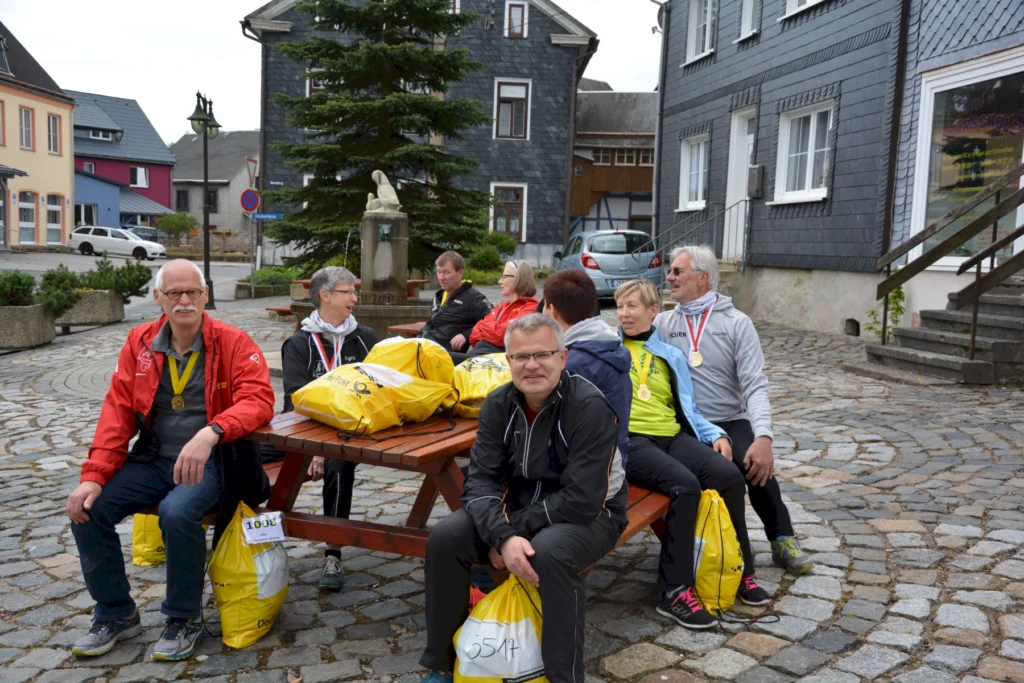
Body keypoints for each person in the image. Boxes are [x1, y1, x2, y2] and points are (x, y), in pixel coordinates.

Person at [66, 259, 275, 661]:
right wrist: (93, 476)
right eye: (174, 293)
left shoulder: (233, 342)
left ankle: (184, 617)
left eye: (192, 292)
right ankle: (115, 612)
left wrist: (212, 432)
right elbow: (116, 413)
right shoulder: (140, 342)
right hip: (155, 457)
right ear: (157, 297)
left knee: (176, 513)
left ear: (205, 296)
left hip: (214, 462)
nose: (184, 301)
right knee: (88, 508)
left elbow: (259, 400)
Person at [418, 314, 627, 683]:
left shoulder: (589, 406)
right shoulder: (498, 403)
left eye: (542, 354)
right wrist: (503, 536)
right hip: (519, 507)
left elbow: (583, 498)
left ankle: (564, 676)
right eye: (521, 356)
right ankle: (442, 662)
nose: (532, 365)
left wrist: (509, 532)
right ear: (508, 360)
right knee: (446, 538)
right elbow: (481, 481)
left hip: (595, 513)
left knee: (549, 552)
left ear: (562, 357)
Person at [615, 279, 770, 627]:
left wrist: (716, 434)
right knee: (685, 486)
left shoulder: (671, 355)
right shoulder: (610, 349)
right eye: (620, 307)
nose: (624, 314)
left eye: (632, 306)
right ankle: (674, 591)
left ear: (653, 311)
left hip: (672, 436)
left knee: (729, 476)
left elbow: (690, 407)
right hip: (632, 442)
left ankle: (739, 570)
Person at [656, 246, 813, 574]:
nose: (669, 277)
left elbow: (755, 384)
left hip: (729, 419)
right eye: (670, 271)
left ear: (702, 278)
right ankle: (713, 541)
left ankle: (781, 538)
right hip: (685, 424)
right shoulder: (664, 323)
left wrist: (763, 437)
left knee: (754, 462)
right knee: (695, 475)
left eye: (677, 271)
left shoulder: (737, 323)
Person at [279, 266, 377, 590]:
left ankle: (333, 551)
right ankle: (250, 536)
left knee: (338, 461)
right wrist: (313, 447)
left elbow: (378, 391)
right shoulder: (299, 343)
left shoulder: (365, 338)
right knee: (243, 452)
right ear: (325, 295)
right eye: (348, 292)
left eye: (354, 291)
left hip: (351, 431)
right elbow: (295, 402)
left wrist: (325, 448)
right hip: (303, 431)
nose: (355, 298)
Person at [542, 270, 631, 460]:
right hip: (615, 457)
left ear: (552, 311)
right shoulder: (609, 345)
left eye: (544, 305)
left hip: (588, 466)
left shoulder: (571, 363)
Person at [454, 260, 538, 360]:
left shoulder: (531, 308)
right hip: (481, 357)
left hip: (496, 362)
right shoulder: (502, 306)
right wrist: (495, 329)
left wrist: (485, 328)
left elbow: (506, 334)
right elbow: (474, 335)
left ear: (518, 278)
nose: (499, 281)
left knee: (443, 359)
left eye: (505, 276)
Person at [417, 251, 492, 351]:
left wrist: (466, 335)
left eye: (446, 272)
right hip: (425, 346)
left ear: (460, 273)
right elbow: (432, 322)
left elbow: (493, 322)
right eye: (439, 272)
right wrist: (418, 337)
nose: (441, 277)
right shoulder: (439, 296)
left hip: (445, 353)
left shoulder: (474, 298)